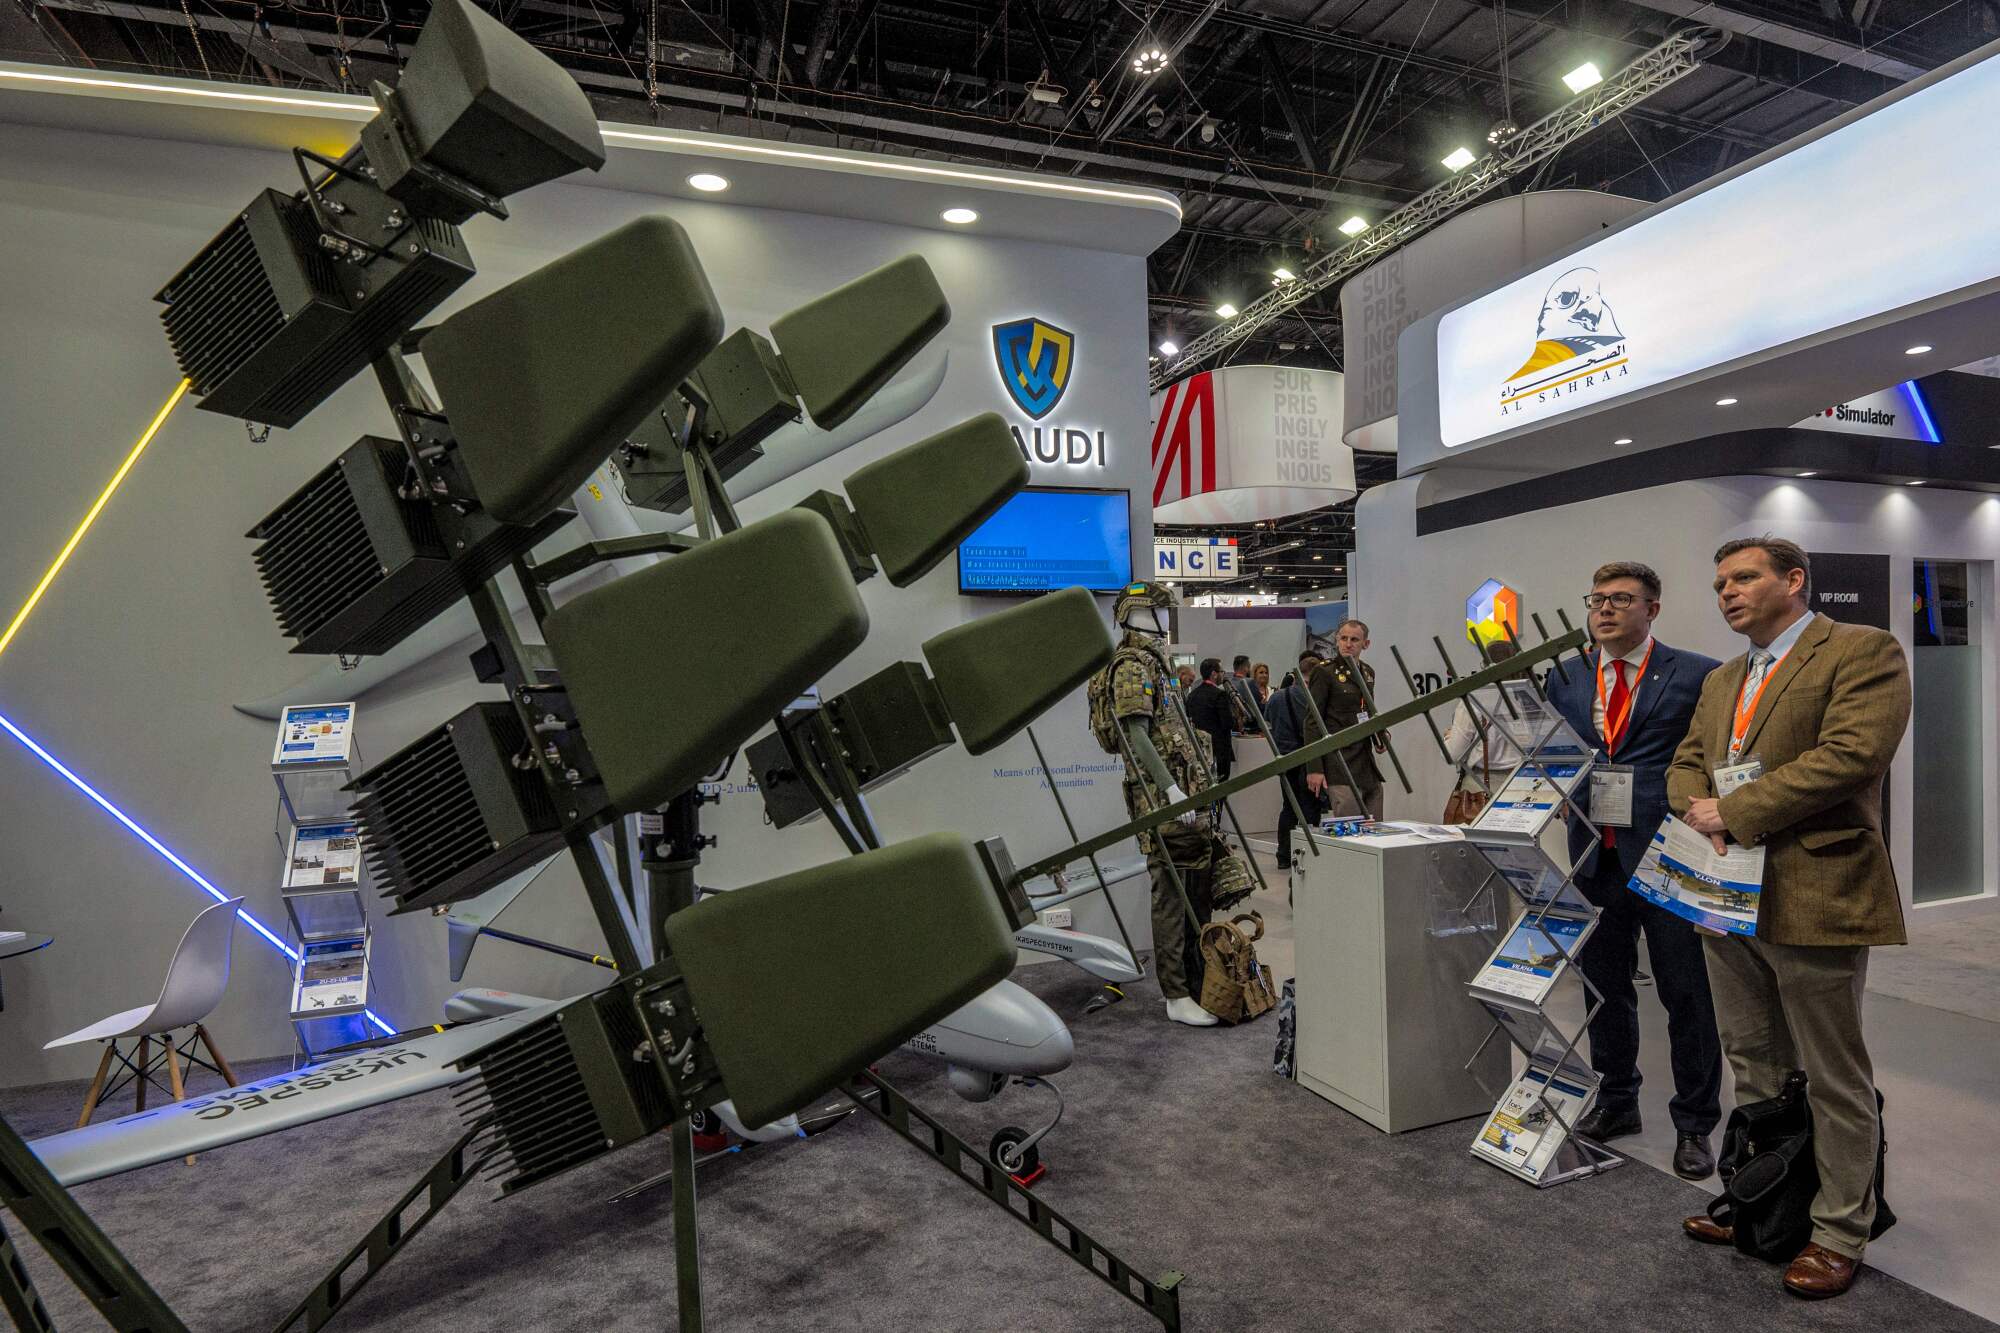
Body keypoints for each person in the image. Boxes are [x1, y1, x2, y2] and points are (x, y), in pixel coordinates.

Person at [1669, 537, 1909, 1299]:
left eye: (1744, 577)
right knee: (1755, 1063)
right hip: (1726, 893)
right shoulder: (1724, 677)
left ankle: (1841, 1228)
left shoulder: (1862, 650)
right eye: (1719, 584)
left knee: (1834, 1075)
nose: (1727, 593)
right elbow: (1687, 760)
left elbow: (1852, 754)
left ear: (1794, 580)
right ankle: (1764, 1202)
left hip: (1816, 888)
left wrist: (1734, 809)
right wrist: (1698, 810)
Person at [1544, 562, 1724, 1180]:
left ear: (1654, 608)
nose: (1606, 609)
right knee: (1604, 990)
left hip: (1670, 855)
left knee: (1685, 994)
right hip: (1595, 854)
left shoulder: (1697, 673)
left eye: (1622, 599)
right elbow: (1554, 753)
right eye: (1597, 598)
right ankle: (1617, 1102)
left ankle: (1696, 1124)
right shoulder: (1564, 677)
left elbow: (1714, 756)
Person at [1085, 584, 1254, 1027]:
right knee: (1171, 893)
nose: (1164, 618)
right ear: (1137, 615)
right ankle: (1176, 993)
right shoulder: (1130, 665)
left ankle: (1200, 982)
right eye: (1158, 610)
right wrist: (1170, 790)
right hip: (1162, 798)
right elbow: (1134, 734)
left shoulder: (1156, 664)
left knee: (1196, 887)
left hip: (1186, 792)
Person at [1305, 619, 1386, 819]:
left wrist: (1380, 735)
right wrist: (1314, 768)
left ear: (1365, 644)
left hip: (1365, 761)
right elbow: (1312, 721)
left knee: (1375, 826)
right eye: (1343, 638)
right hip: (1338, 762)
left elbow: (1367, 711)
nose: (1348, 644)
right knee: (1349, 827)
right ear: (1337, 640)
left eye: (1354, 640)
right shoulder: (1325, 672)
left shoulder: (1367, 673)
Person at [1440, 640, 1524, 822]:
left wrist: (1448, 737)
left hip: (1481, 787)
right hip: (1520, 786)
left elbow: (1453, 754)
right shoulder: (1526, 699)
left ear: (1487, 665)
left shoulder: (1474, 701)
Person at [1266, 654, 1327, 868]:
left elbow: (1268, 722)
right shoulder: (1312, 700)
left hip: (1284, 759)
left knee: (1289, 807)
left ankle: (1283, 855)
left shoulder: (1275, 698)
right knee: (1311, 808)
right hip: (1307, 759)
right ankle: (1308, 855)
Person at [1185, 658, 1236, 781]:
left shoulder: (1192, 696)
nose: (1223, 675)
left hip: (1199, 750)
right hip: (1219, 750)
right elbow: (1228, 723)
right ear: (1214, 674)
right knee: (1221, 786)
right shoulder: (1220, 695)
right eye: (1222, 671)